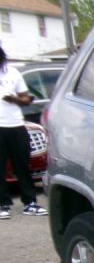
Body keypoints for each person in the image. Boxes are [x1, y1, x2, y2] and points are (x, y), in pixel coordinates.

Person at [0, 44, 46, 220]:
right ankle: (3, 205)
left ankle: (30, 203)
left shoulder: (12, 73)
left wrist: (13, 99)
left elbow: (26, 99)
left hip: (16, 125)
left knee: (22, 165)